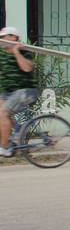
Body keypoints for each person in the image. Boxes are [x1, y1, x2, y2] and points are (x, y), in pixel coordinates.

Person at [0, 27, 38, 157]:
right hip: (8, 92)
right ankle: (18, 131)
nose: (2, 39)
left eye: (5, 36)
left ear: (13, 37)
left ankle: (5, 148)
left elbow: (27, 68)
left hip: (25, 91)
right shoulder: (2, 53)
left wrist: (16, 51)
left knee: (3, 113)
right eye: (2, 37)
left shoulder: (23, 51)